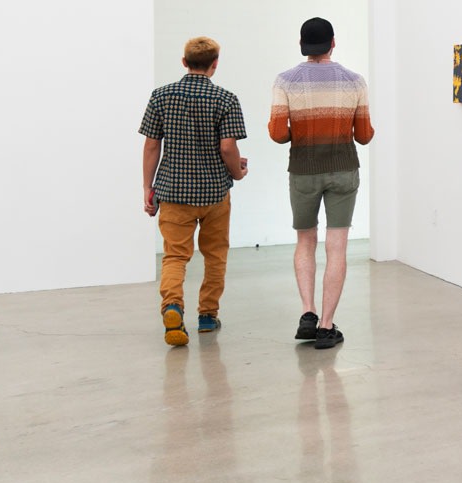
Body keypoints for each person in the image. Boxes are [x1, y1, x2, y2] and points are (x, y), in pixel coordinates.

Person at [268, 17, 374, 350]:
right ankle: (327, 327)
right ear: (333, 43)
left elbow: (277, 133)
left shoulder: (285, 81)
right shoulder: (354, 81)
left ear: (303, 45)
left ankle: (308, 313)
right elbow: (365, 135)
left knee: (305, 240)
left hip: (303, 170)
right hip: (343, 169)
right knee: (337, 246)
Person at [140, 36, 249, 346]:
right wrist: (237, 172)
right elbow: (227, 147)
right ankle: (207, 315)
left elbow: (151, 145)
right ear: (215, 64)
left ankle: (172, 307)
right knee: (215, 256)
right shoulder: (225, 99)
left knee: (175, 256)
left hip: (174, 192)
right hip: (215, 192)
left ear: (184, 62)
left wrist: (148, 187)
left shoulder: (161, 96)